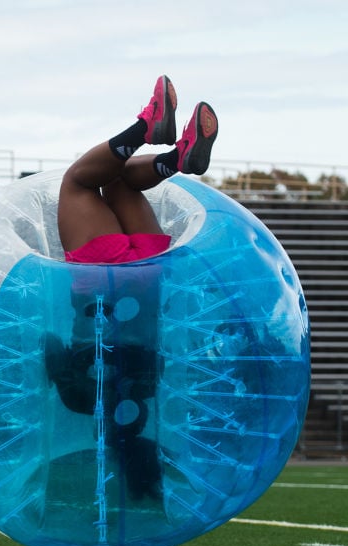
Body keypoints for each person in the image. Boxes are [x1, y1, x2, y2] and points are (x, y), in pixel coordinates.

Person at [48, 77, 218, 501]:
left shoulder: (146, 384)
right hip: (102, 282)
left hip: (150, 280)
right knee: (78, 183)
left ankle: (178, 156)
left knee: (120, 181)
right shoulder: (79, 399)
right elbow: (53, 350)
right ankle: (147, 127)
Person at [58, 74, 217, 263]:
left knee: (114, 174)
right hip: (141, 258)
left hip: (145, 273)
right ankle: (160, 144)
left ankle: (170, 151)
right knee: (77, 181)